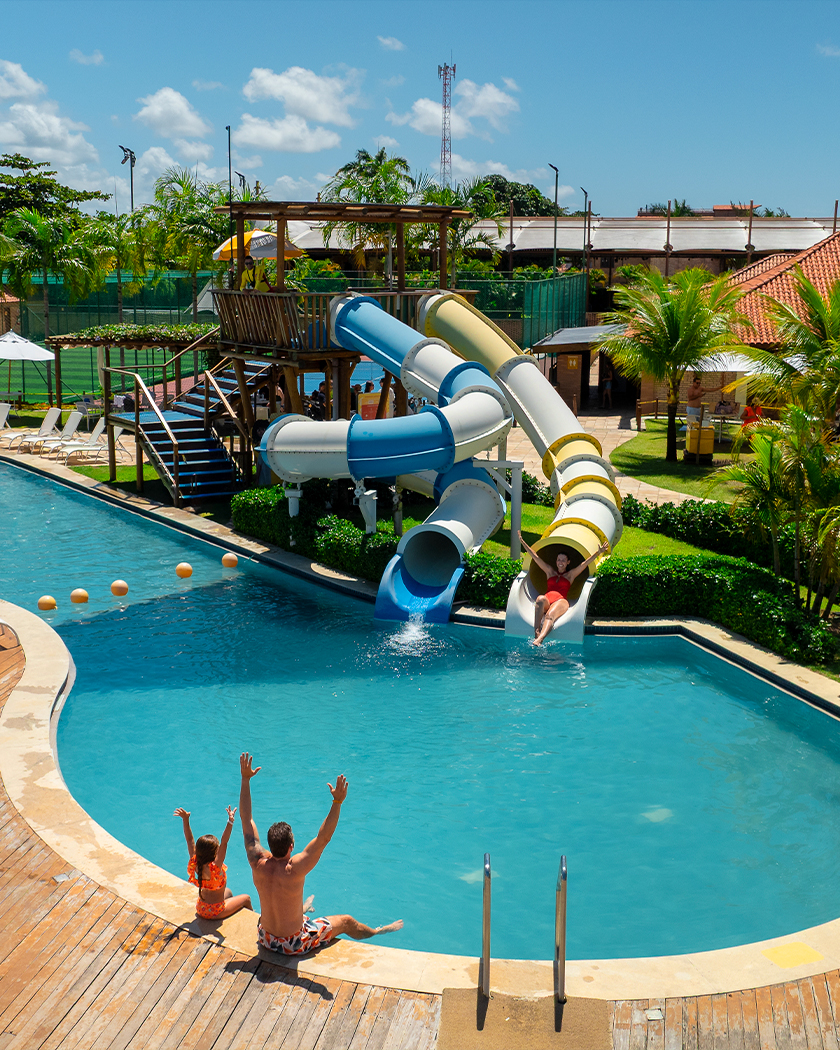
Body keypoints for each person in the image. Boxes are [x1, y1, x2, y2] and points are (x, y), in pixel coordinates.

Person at [238, 752, 403, 956]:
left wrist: (245, 779)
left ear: (270, 845)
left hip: (266, 938)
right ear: (291, 846)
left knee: (289, 905)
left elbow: (247, 820)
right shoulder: (295, 868)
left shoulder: (257, 861)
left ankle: (303, 910)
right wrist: (337, 802)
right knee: (346, 921)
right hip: (293, 944)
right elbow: (323, 838)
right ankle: (378, 931)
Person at [518, 533, 610, 645]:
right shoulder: (550, 572)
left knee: (550, 615)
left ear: (568, 562)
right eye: (558, 560)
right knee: (540, 598)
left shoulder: (570, 575)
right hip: (548, 599)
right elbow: (536, 558)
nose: (560, 562)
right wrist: (523, 543)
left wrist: (598, 553)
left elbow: (584, 564)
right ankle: (536, 631)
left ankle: (540, 639)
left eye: (563, 560)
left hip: (561, 601)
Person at [174, 805, 253, 920]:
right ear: (215, 852)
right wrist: (230, 821)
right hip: (215, 912)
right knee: (246, 898)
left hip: (201, 908)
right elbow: (224, 842)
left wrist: (186, 820)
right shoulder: (216, 867)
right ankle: (253, 924)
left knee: (228, 892)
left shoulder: (196, 863)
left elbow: (189, 840)